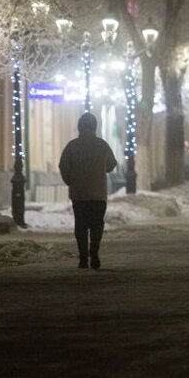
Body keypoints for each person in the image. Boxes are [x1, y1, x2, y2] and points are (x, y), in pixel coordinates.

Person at [58, 112, 117, 269]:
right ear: (95, 127)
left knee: (81, 225)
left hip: (79, 193)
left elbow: (63, 166)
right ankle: (94, 251)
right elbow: (112, 164)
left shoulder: (72, 146)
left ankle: (83, 257)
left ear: (79, 127)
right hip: (98, 193)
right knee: (97, 224)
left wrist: (70, 181)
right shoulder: (102, 145)